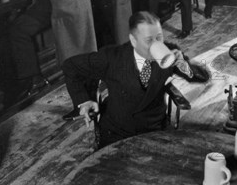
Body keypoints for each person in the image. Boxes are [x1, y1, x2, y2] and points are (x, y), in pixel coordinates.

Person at [62, 11, 210, 147]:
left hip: (155, 128)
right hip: (117, 131)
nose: (156, 44)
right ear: (133, 40)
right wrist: (84, 101)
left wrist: (184, 65)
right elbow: (70, 66)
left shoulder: (169, 52)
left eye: (159, 37)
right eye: (148, 40)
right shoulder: (112, 57)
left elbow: (202, 77)